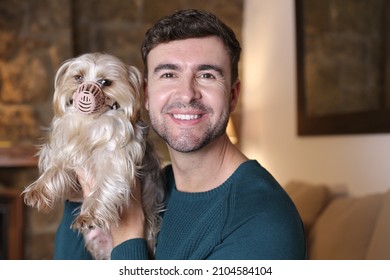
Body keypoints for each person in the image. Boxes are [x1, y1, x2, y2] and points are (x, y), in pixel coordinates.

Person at [54, 9, 306, 260]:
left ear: (233, 95)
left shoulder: (263, 222)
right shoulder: (153, 186)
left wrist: (128, 232)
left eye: (206, 75)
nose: (186, 94)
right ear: (147, 95)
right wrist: (81, 187)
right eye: (168, 75)